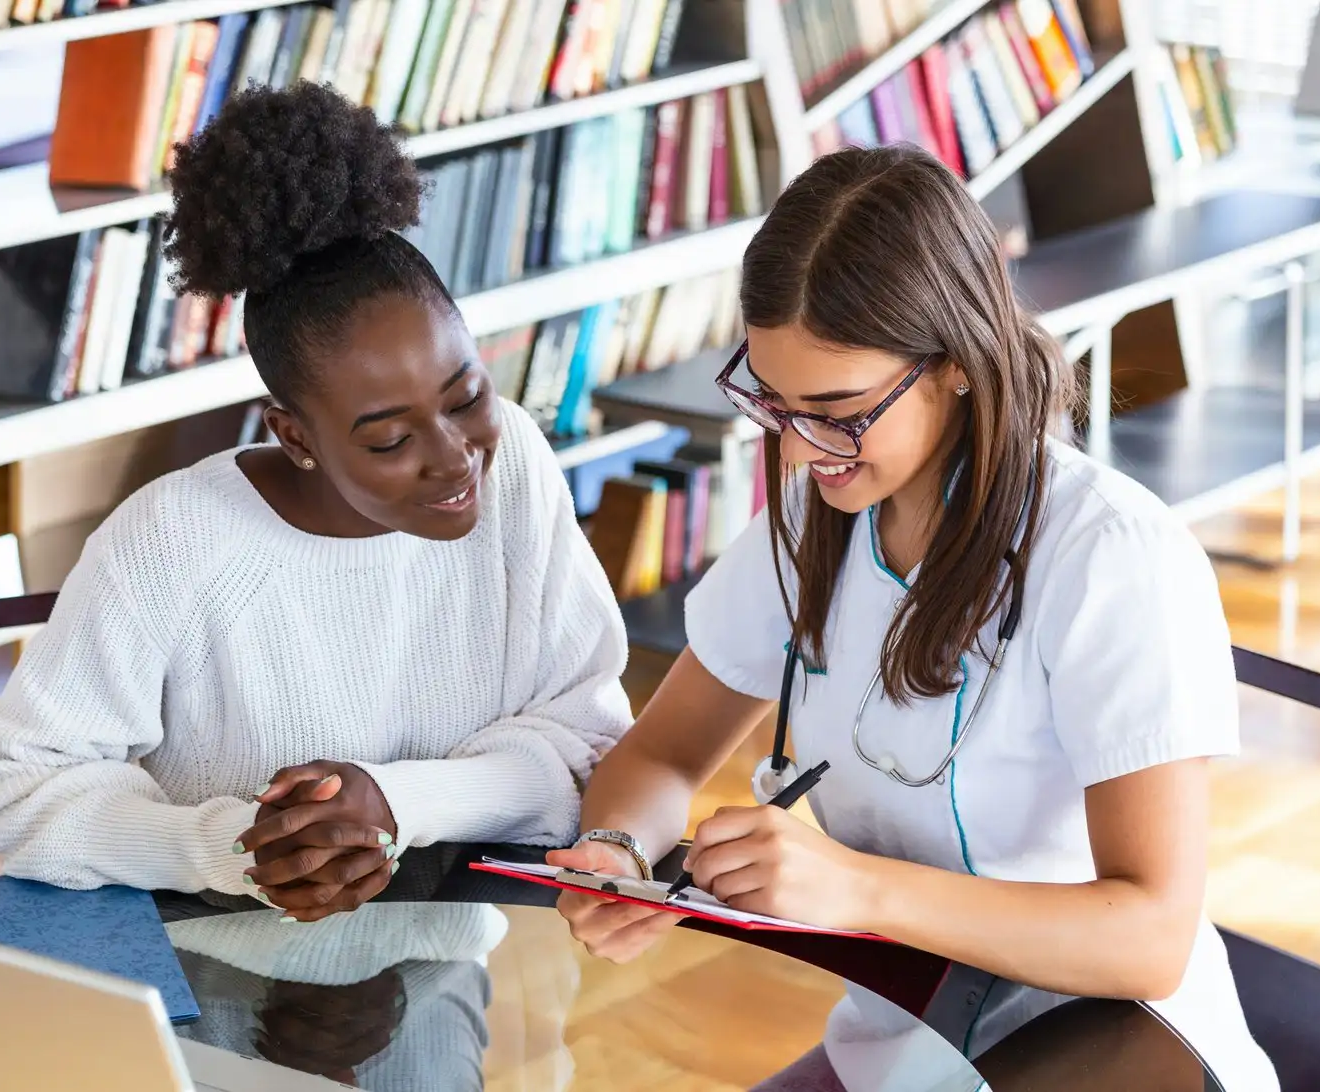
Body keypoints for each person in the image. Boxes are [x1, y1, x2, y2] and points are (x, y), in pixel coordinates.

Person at [547, 144, 1278, 1091]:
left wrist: (854, 891)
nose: (806, 450)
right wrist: (618, 852)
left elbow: (1149, 940)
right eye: (774, 404)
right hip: (909, 1043)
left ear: (958, 365)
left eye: (839, 410)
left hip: (1113, 1048)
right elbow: (660, 756)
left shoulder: (1110, 556)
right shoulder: (819, 517)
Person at [0, 81, 633, 923]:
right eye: (389, 440)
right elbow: (15, 802)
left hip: (446, 975)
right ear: (296, 435)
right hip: (200, 987)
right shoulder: (173, 540)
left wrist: (393, 804)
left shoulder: (516, 467)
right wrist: (242, 847)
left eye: (465, 396)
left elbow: (590, 745)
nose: (455, 455)